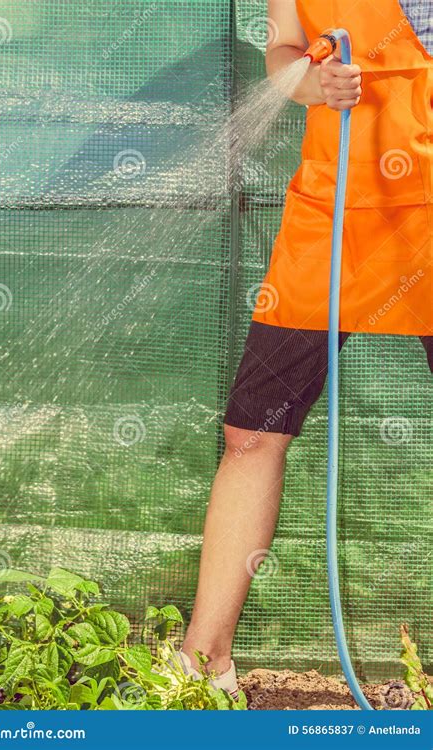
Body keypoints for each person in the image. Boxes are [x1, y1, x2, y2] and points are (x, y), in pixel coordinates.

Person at [179, 0, 432, 696]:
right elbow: (284, 49)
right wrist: (313, 85)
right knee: (252, 431)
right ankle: (202, 667)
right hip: (336, 208)